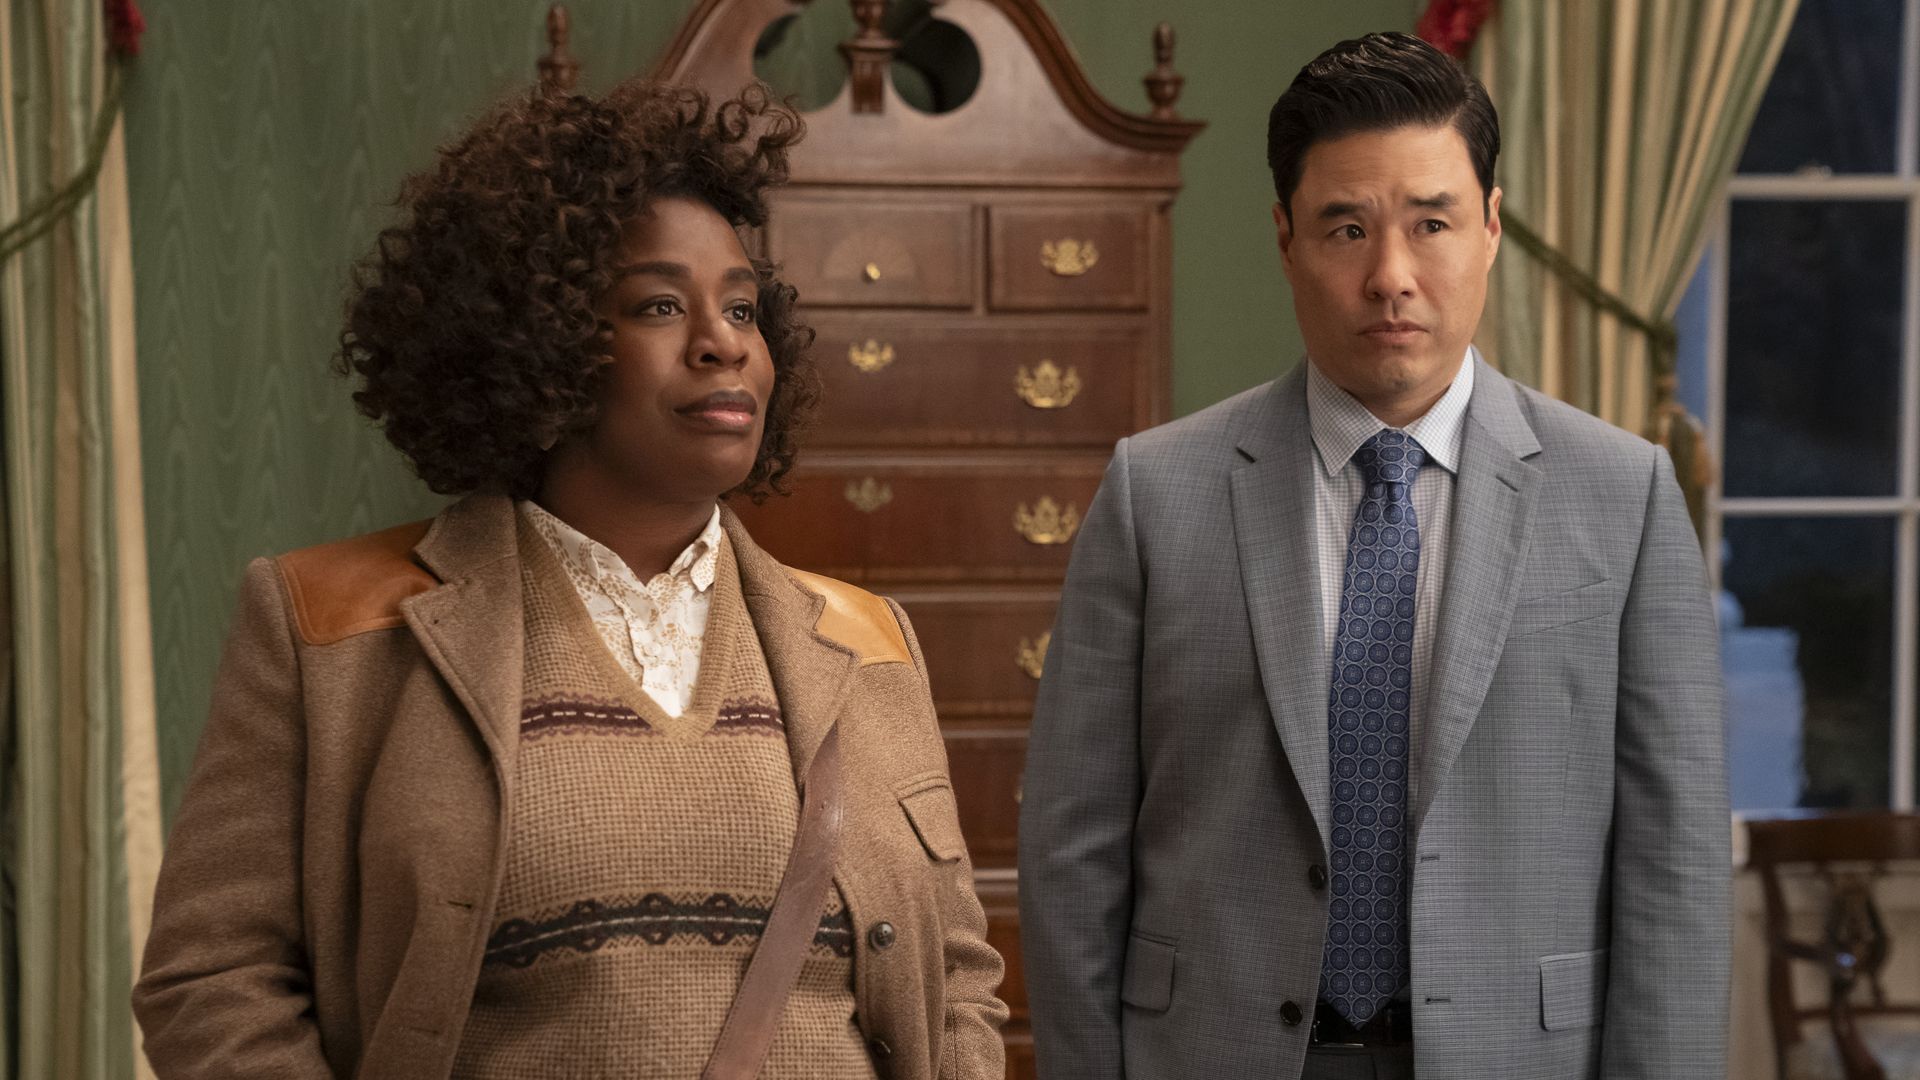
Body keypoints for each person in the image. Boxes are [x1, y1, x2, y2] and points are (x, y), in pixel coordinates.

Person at [132, 80, 1006, 1080]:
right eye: (661, 305)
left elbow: (957, 982)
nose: (722, 342)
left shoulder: (867, 639)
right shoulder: (327, 629)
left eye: (742, 307)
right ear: (537, 340)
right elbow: (211, 980)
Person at [1018, 31, 1728, 1080]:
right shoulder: (1153, 493)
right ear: (1284, 238)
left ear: (1491, 227)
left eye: (1430, 223)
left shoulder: (1622, 494)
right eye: (1345, 228)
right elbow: (1073, 851)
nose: (1390, 276)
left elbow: (1676, 865)